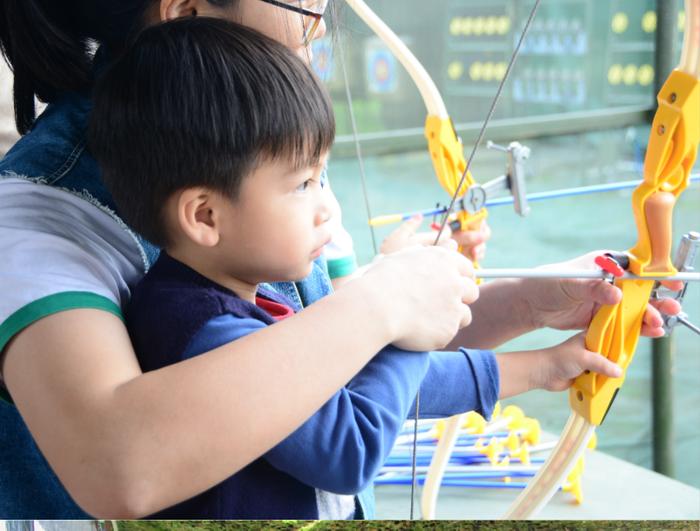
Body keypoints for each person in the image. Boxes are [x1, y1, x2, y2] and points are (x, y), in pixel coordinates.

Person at [0, 0, 679, 519]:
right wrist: (387, 301)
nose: (316, 30)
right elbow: (120, 461)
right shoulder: (40, 211)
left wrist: (533, 303)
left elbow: (350, 360)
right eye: (304, 9)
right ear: (188, 14)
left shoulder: (272, 172)